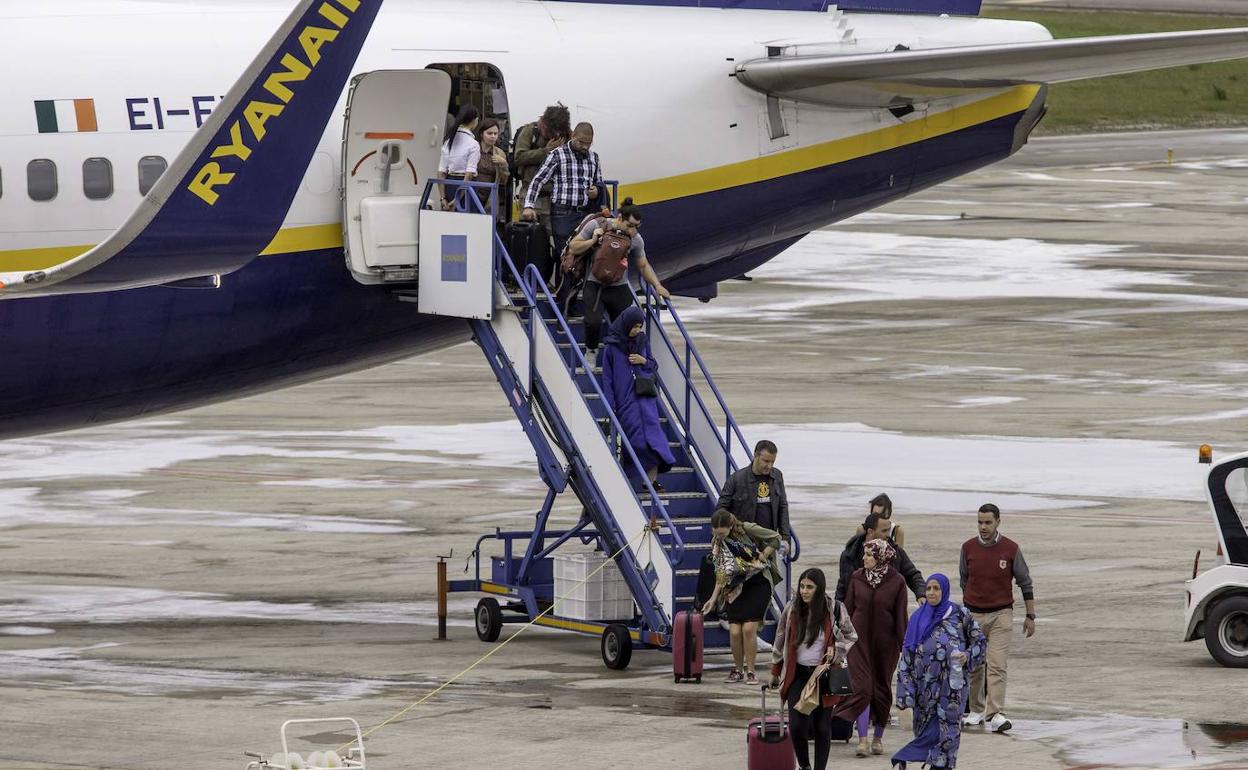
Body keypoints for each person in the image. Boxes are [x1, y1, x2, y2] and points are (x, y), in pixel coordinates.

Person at [892, 575, 986, 769]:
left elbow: (981, 642)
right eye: (928, 589)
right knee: (927, 735)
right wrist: (906, 697)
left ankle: (925, 762)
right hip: (923, 693)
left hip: (951, 692)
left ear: (944, 590)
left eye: (936, 588)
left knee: (947, 738)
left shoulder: (960, 614)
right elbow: (907, 659)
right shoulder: (917, 618)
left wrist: (967, 655)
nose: (932, 593)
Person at [769, 568, 858, 770]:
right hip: (797, 675)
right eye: (802, 586)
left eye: (809, 587)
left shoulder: (834, 608)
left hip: (823, 677)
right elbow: (780, 638)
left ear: (819, 589)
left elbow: (851, 635)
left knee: (822, 727)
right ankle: (805, 766)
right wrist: (775, 670)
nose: (804, 591)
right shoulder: (791, 609)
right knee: (798, 726)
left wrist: (836, 650)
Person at [959, 503, 1036, 734]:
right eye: (980, 522)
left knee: (997, 664)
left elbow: (1025, 582)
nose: (983, 527)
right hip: (973, 615)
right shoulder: (968, 548)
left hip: (1002, 614)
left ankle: (996, 714)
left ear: (998, 522)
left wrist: (1030, 615)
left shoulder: (1011, 549)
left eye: (988, 522)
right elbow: (964, 579)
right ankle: (975, 710)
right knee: (975, 665)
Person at [834, 539, 908, 758]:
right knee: (863, 688)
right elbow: (847, 610)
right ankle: (863, 740)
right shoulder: (856, 577)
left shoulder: (898, 581)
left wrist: (906, 648)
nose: (864, 558)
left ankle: (877, 738)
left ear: (881, 557)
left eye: (869, 554)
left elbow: (901, 617)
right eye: (864, 554)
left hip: (886, 645)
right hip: (858, 642)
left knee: (881, 690)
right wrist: (839, 640)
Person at [568, 198, 670, 357]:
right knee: (593, 322)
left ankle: (619, 356)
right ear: (620, 218)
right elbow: (574, 247)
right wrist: (593, 240)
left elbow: (643, 265)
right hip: (595, 284)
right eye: (630, 226)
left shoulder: (635, 240)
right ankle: (591, 351)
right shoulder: (597, 225)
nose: (633, 230)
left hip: (618, 287)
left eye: (637, 226)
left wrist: (657, 285)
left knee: (625, 327)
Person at [701, 508, 782, 686]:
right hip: (735, 585)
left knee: (748, 629)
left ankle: (751, 671)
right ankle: (737, 669)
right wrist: (713, 599)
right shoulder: (717, 542)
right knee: (735, 631)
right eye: (716, 533)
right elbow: (721, 572)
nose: (719, 537)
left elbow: (776, 538)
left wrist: (764, 554)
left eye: (722, 533)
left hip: (757, 581)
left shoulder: (747, 528)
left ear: (730, 526)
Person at [597, 305, 675, 489]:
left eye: (640, 327)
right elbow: (607, 379)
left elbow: (653, 366)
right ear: (626, 324)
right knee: (637, 442)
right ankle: (639, 479)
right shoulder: (612, 348)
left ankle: (651, 481)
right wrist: (611, 405)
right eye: (634, 327)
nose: (637, 330)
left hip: (645, 401)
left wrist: (643, 361)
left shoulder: (642, 341)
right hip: (626, 402)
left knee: (656, 442)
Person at [520, 122, 603, 259]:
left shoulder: (594, 157)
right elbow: (538, 180)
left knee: (587, 255)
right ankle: (563, 280)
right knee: (566, 255)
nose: (585, 146)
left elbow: (599, 182)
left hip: (586, 213)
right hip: (562, 213)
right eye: (581, 142)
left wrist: (597, 191)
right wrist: (529, 206)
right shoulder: (557, 154)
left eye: (588, 143)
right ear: (573, 136)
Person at [836, 512, 925, 603]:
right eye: (884, 531)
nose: (888, 535)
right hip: (859, 611)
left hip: (887, 610)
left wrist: (921, 594)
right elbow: (842, 586)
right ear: (870, 532)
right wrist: (837, 611)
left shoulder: (895, 552)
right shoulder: (849, 555)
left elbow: (913, 575)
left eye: (888, 530)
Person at [512, 104, 570, 235]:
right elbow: (519, 157)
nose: (555, 135)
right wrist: (545, 151)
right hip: (531, 194)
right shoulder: (530, 131)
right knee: (529, 236)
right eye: (552, 131)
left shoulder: (565, 135)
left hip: (554, 196)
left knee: (556, 236)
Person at [715, 439, 790, 540]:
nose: (769, 466)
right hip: (744, 540)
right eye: (766, 461)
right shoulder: (737, 479)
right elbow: (721, 509)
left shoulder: (777, 476)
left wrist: (785, 538)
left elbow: (782, 507)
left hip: (769, 539)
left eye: (773, 462)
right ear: (755, 456)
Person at [438, 105, 480, 209]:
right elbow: (469, 174)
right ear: (475, 121)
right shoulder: (473, 144)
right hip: (466, 189)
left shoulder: (448, 141)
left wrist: (443, 198)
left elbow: (441, 172)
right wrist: (457, 199)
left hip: (449, 186)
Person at [474, 118, 510, 220]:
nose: (493, 136)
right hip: (472, 193)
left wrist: (503, 163)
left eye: (495, 133)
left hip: (489, 197)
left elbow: (504, 181)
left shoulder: (499, 153)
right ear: (482, 134)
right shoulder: (474, 148)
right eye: (489, 133)